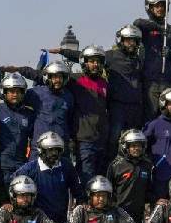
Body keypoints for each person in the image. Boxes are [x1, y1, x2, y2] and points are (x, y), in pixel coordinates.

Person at [53, 25, 145, 162]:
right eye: (128, 40)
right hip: (117, 104)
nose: (131, 43)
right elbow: (87, 56)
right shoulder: (111, 56)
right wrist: (63, 51)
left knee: (135, 138)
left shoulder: (139, 60)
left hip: (136, 106)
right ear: (121, 40)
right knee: (114, 137)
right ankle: (112, 163)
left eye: (134, 40)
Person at [0, 61, 76, 150]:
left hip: (61, 146)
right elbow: (12, 96)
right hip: (39, 147)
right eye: (55, 77)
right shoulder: (36, 93)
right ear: (48, 77)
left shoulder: (69, 96)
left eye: (60, 77)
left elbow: (70, 119)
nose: (58, 80)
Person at [13, 131, 85, 223]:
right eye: (50, 150)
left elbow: (77, 189)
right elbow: (12, 187)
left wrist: (82, 203)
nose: (54, 153)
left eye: (57, 150)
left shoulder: (66, 165)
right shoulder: (29, 169)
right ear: (41, 150)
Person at [66, 45, 110, 184]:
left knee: (100, 176)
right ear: (84, 62)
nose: (95, 64)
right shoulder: (75, 80)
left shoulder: (105, 83)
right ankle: (84, 204)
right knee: (86, 176)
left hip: (102, 138)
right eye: (91, 61)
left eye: (98, 61)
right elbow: (52, 76)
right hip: (84, 139)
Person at [133, 0, 171, 117]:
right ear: (150, 8)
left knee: (168, 116)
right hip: (150, 81)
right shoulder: (144, 28)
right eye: (157, 6)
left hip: (168, 81)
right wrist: (158, 28)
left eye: (162, 5)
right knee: (150, 115)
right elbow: (137, 23)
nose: (160, 8)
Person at [143, 88, 171, 201]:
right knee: (160, 208)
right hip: (160, 174)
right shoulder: (154, 124)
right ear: (164, 104)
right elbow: (141, 145)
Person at [106, 128, 155, 222]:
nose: (137, 148)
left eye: (139, 146)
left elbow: (150, 189)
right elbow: (109, 189)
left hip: (139, 213)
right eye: (133, 146)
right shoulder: (116, 165)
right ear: (126, 147)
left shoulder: (148, 165)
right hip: (119, 212)